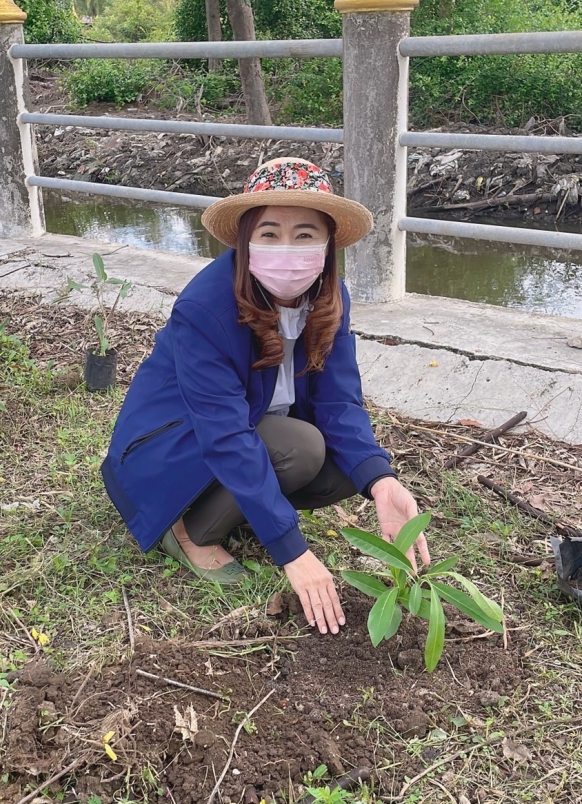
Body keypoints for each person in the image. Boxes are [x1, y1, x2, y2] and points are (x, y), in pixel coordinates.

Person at [101, 157, 430, 635]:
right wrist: (291, 551)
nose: (287, 249)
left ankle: (242, 507)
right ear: (246, 239)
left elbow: (339, 401)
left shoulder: (330, 296)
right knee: (300, 447)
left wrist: (382, 481)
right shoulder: (204, 307)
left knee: (348, 467)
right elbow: (225, 433)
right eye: (270, 233)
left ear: (328, 243)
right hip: (169, 449)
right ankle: (190, 531)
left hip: (254, 430)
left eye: (305, 234)